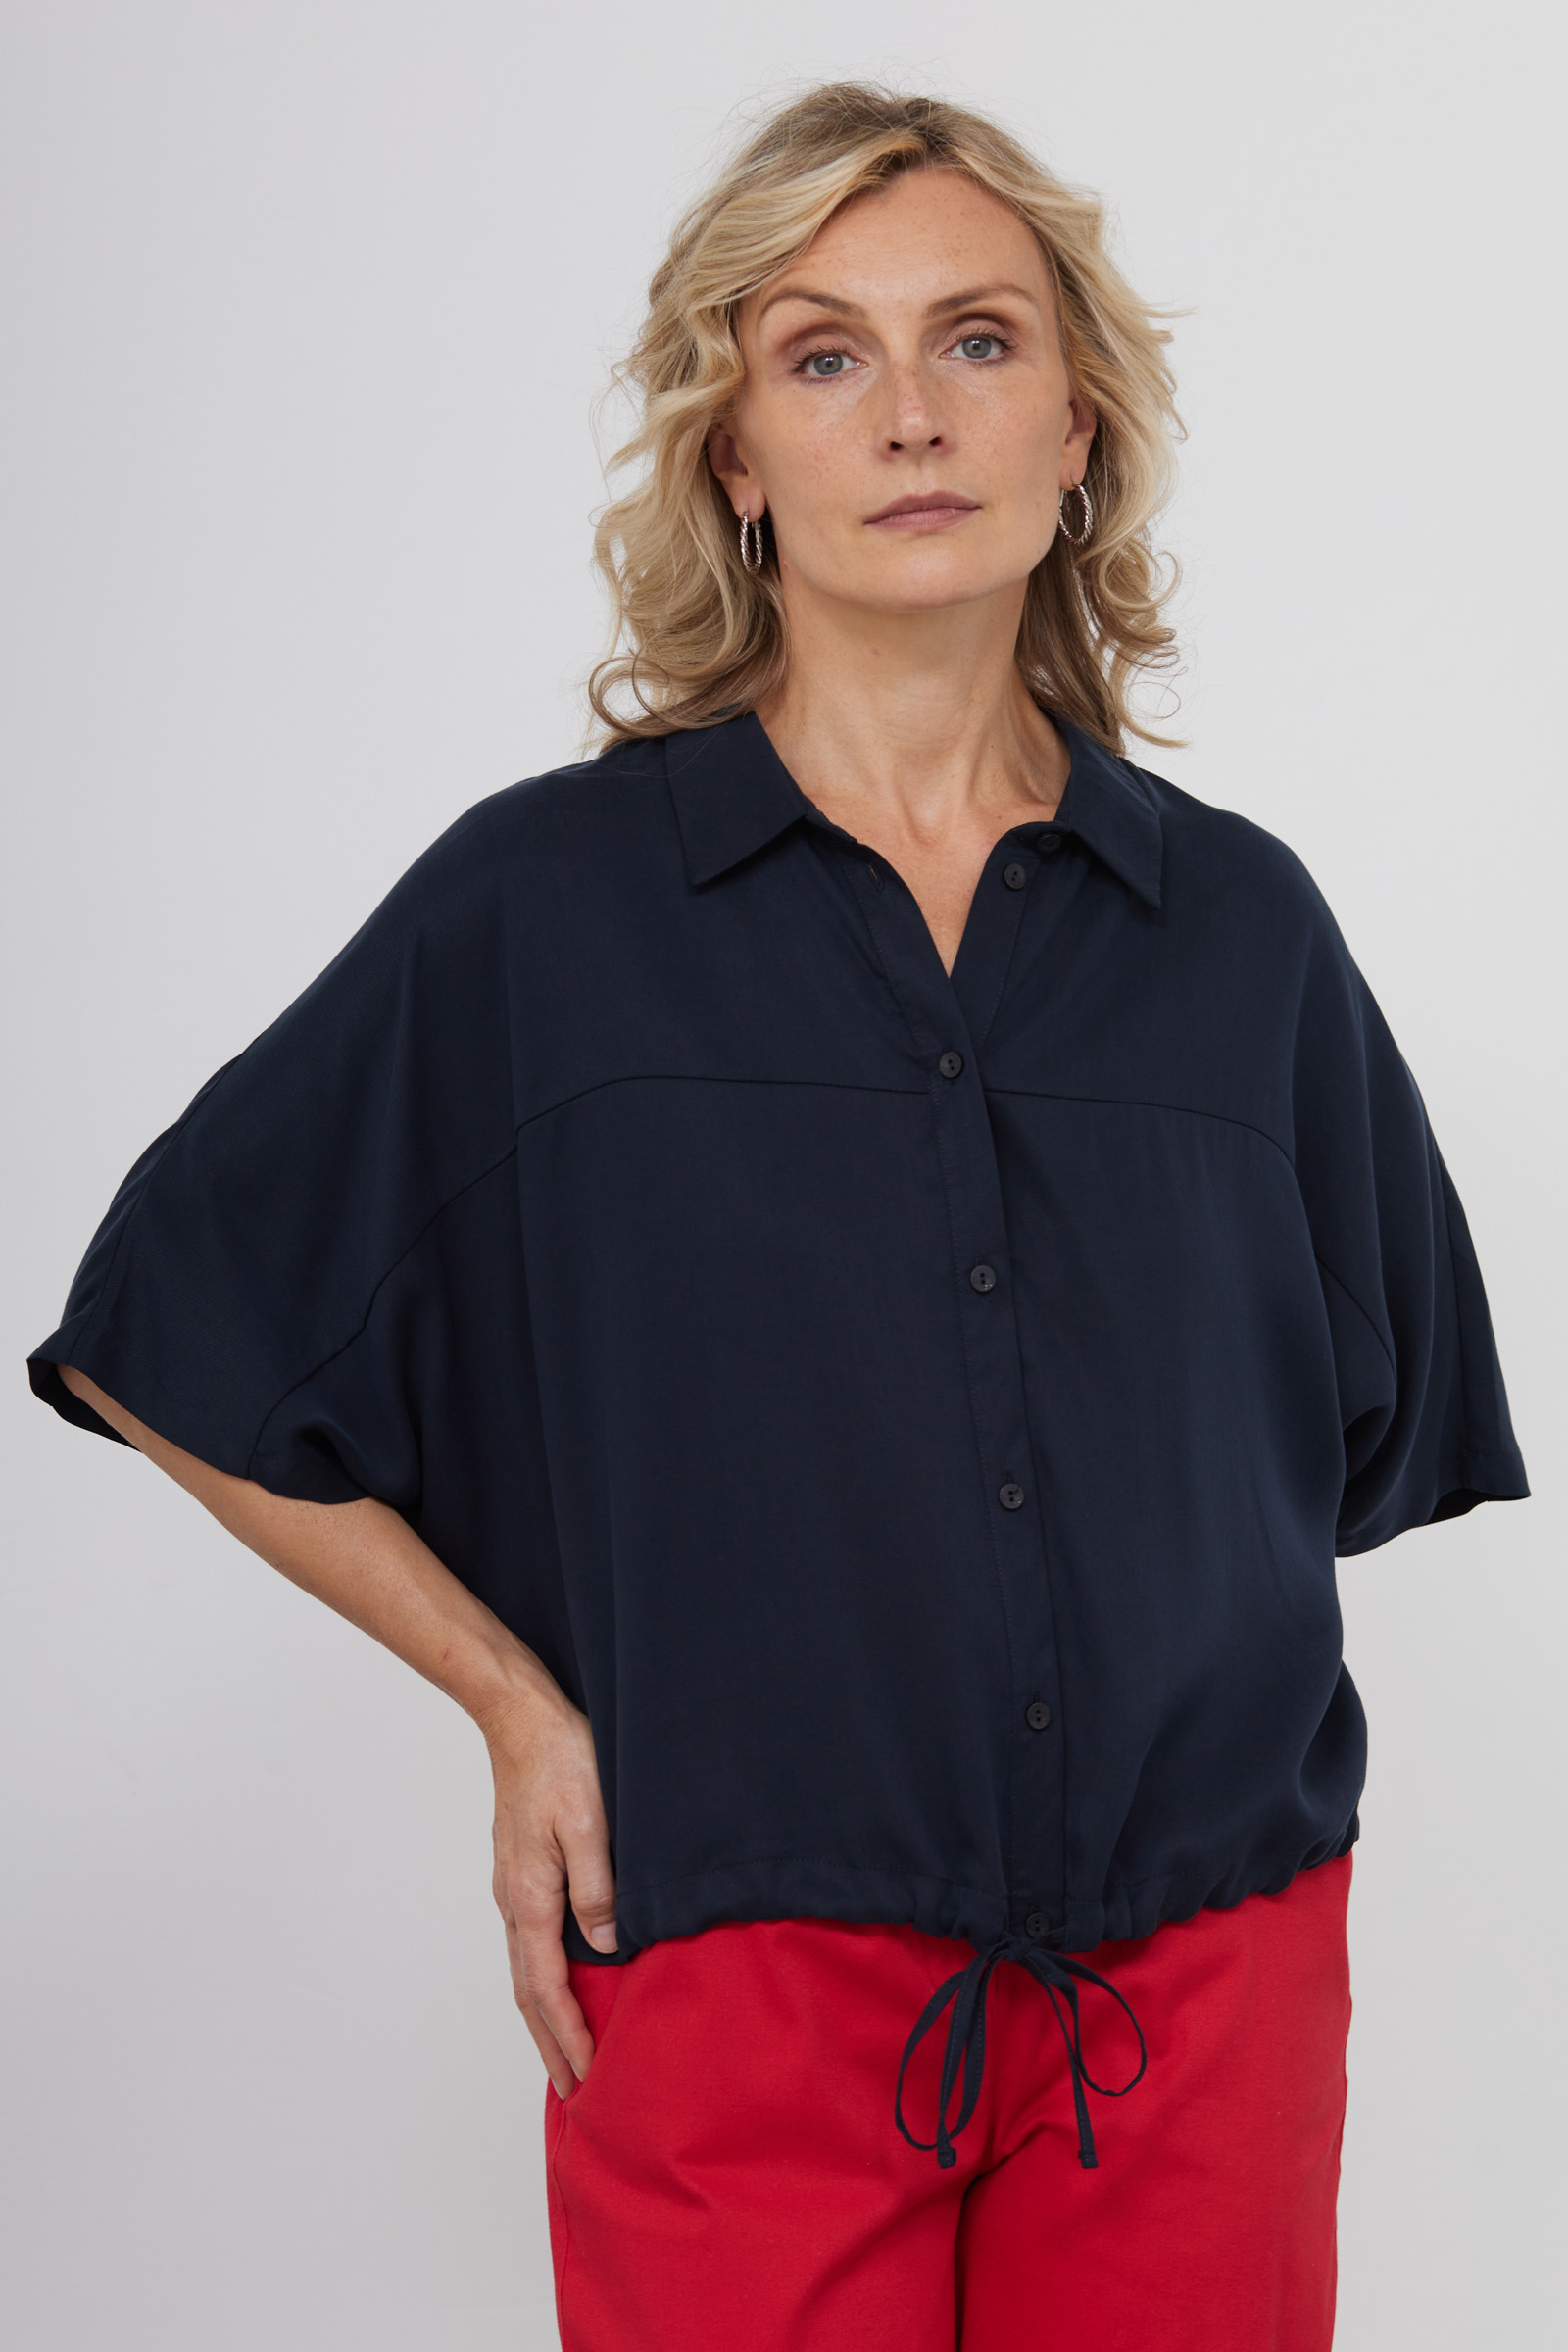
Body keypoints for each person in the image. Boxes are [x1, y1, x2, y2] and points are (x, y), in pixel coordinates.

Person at [28, 81, 1528, 2352]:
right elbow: (174, 1328)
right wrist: (515, 1708)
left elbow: (1338, 1443)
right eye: (823, 355)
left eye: (977, 342)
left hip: (1196, 1997)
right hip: (736, 1975)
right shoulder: (544, 914)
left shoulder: (1240, 940)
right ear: (734, 452)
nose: (909, 414)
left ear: (1076, 427)